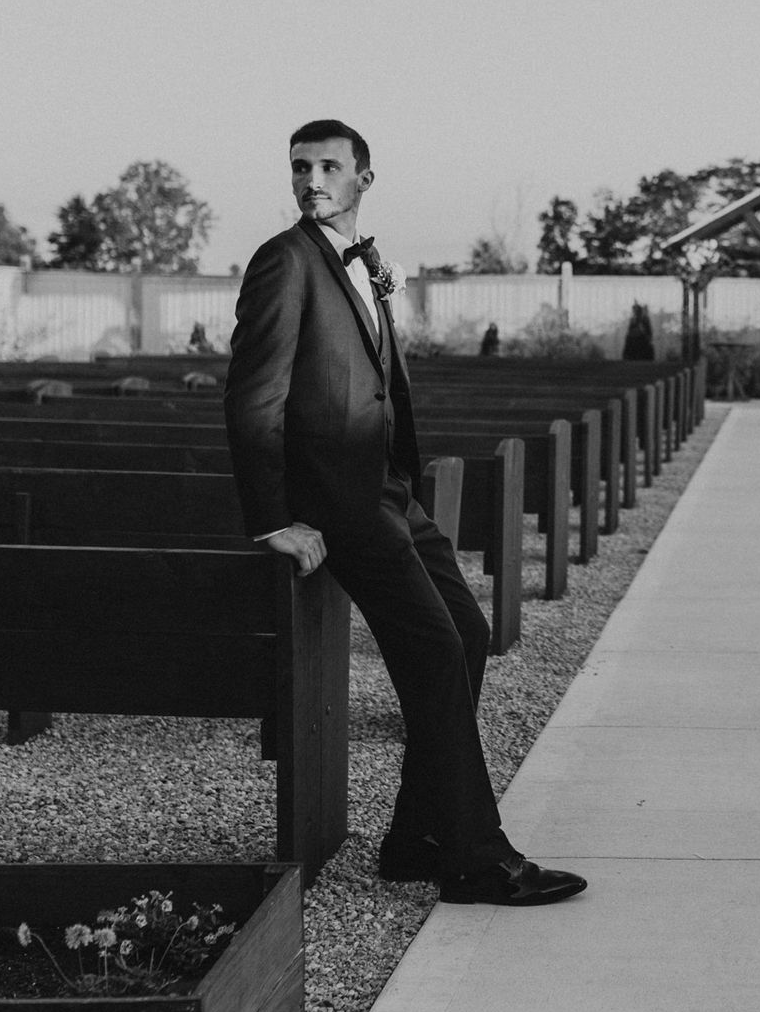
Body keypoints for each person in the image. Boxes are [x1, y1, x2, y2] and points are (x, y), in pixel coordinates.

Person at [224, 118, 586, 907]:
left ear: (363, 179)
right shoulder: (283, 261)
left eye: (328, 166)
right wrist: (272, 518)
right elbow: (253, 398)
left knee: (469, 636)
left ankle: (415, 836)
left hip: (390, 492)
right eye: (299, 167)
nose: (311, 180)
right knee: (429, 652)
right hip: (338, 504)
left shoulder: (359, 262)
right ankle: (475, 857)